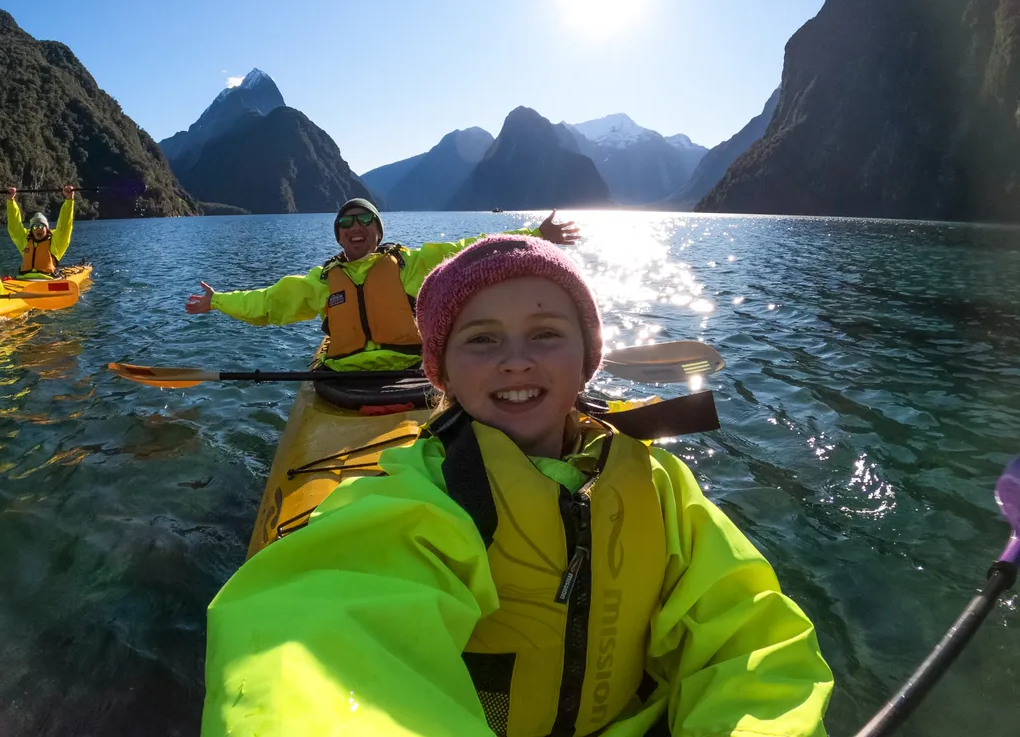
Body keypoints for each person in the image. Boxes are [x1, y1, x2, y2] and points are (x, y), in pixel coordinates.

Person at [202, 235, 833, 737]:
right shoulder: (420, 499)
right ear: (441, 372)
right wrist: (224, 302)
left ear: (588, 359)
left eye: (546, 335)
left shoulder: (660, 483)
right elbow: (310, 646)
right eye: (481, 340)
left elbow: (748, 639)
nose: (516, 360)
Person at [184, 198, 580, 371]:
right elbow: (269, 303)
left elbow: (471, 251)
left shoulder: (408, 264)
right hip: (342, 378)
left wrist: (535, 234)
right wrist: (218, 302)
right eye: (345, 223)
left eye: (364, 221)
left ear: (377, 230)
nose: (355, 228)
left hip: (407, 371)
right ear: (338, 237)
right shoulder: (322, 282)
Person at [6, 185, 75, 278]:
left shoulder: (56, 242)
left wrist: (69, 199)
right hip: (24, 279)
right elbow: (14, 226)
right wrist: (10, 201)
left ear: (46, 228)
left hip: (47, 279)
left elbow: (65, 224)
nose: (38, 229)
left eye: (41, 226)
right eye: (34, 227)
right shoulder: (25, 241)